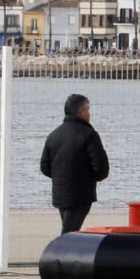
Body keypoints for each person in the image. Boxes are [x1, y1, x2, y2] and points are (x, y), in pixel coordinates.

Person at [40, 94, 109, 233]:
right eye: (87, 110)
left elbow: (45, 166)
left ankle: (61, 253)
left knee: (69, 229)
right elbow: (101, 168)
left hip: (60, 194)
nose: (89, 114)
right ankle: (58, 254)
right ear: (80, 112)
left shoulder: (54, 135)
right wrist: (87, 178)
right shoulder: (89, 134)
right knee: (69, 233)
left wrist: (61, 176)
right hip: (81, 194)